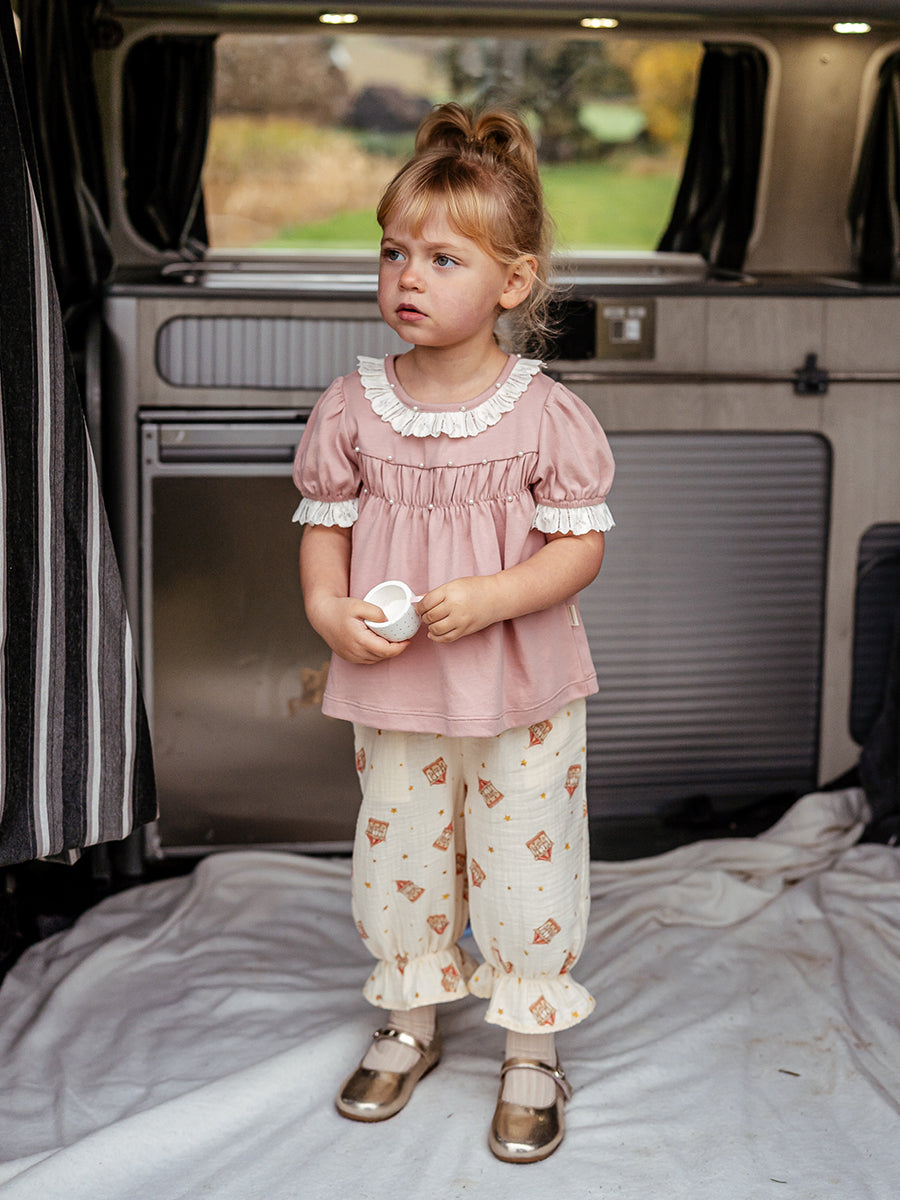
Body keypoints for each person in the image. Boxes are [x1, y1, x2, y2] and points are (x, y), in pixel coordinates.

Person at [292, 102, 615, 1163]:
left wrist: (495, 596)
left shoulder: (544, 412)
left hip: (521, 689)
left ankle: (530, 1049)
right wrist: (327, 610)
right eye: (393, 252)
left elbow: (578, 549)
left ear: (512, 283)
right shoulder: (353, 406)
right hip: (399, 693)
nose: (408, 277)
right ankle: (408, 1024)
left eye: (442, 258)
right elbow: (325, 527)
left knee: (525, 863)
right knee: (402, 855)